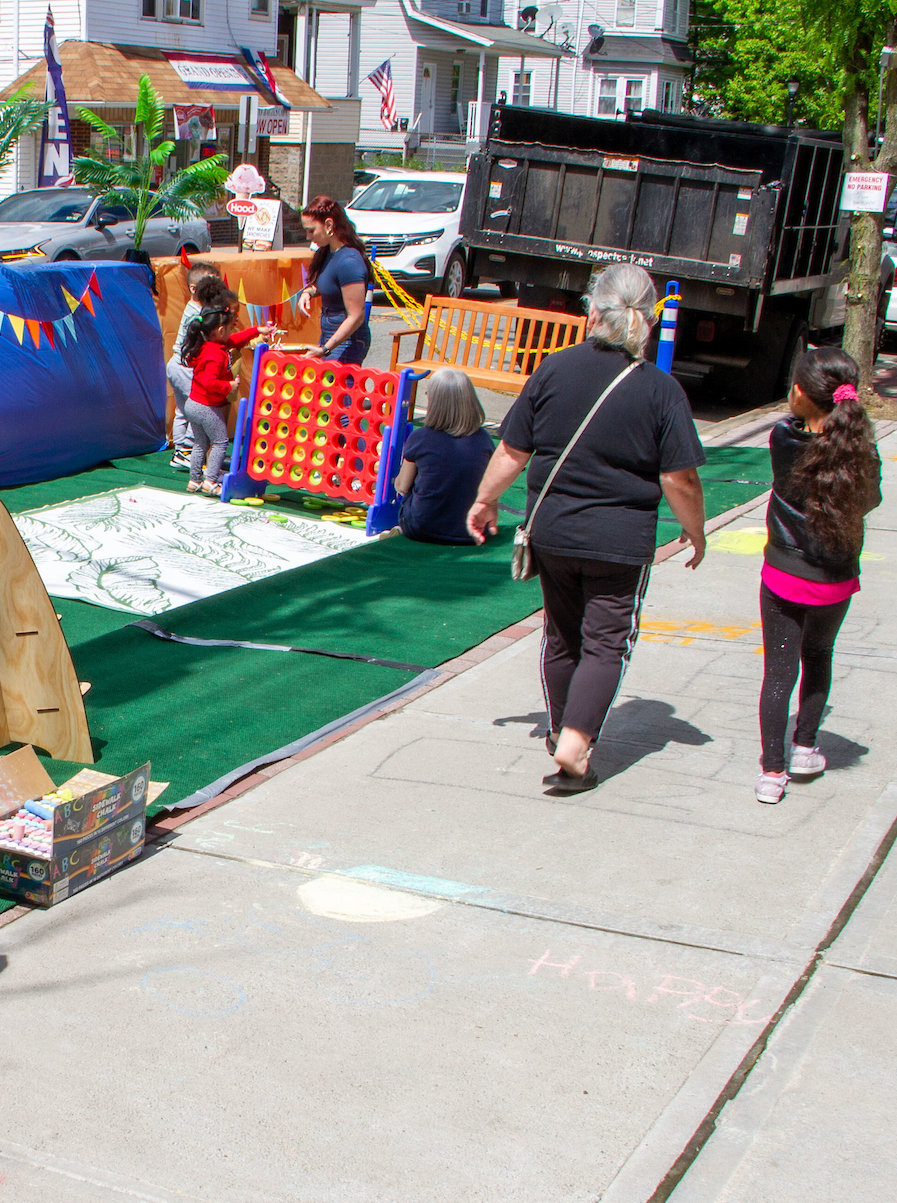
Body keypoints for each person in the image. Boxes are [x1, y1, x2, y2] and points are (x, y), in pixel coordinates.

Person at [466, 262, 707, 792]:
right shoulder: (660, 390)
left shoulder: (553, 370)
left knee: (561, 635)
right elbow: (679, 478)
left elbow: (512, 449)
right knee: (605, 642)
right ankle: (575, 744)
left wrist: (486, 501)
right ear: (647, 318)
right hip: (619, 541)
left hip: (552, 531)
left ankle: (558, 730)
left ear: (592, 311)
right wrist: (696, 531)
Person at [754, 346, 880, 805]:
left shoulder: (784, 440)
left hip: (786, 573)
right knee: (819, 654)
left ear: (802, 394)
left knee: (779, 672)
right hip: (837, 576)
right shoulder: (859, 448)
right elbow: (872, 500)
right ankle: (805, 747)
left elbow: (792, 429)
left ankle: (772, 772)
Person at [394, 368, 496, 546]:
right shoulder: (484, 440)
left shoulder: (421, 437)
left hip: (421, 527)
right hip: (473, 531)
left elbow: (402, 486)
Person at [179, 303, 268, 494]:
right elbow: (209, 381)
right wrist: (229, 386)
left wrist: (256, 330)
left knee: (200, 442)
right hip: (205, 406)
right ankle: (210, 481)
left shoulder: (212, 345)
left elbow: (236, 339)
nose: (231, 332)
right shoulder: (215, 354)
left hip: (193, 404)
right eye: (229, 329)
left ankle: (194, 480)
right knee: (220, 441)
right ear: (220, 330)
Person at [288, 197, 372, 367]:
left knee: (338, 392)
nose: (308, 236)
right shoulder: (329, 252)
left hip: (348, 340)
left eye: (311, 230)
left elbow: (356, 315)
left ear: (328, 225)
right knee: (328, 391)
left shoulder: (349, 261)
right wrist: (309, 292)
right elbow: (330, 283)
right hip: (331, 336)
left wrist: (326, 348)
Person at [168, 265, 233, 467]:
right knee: (198, 405)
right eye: (210, 284)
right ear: (195, 288)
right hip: (185, 368)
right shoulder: (198, 314)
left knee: (183, 409)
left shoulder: (194, 309)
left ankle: (181, 450)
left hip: (176, 365)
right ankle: (188, 449)